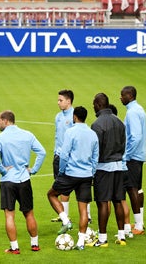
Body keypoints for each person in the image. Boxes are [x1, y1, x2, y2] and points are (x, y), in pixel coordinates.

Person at [0, 110, 46, 254]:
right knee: (29, 214)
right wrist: (33, 170)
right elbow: (42, 152)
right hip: (24, 179)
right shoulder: (27, 135)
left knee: (9, 215)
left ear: (6, 121)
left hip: (8, 180)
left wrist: (2, 170)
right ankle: (35, 244)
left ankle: (14, 248)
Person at [48, 106, 99, 250]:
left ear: (74, 117)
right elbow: (95, 157)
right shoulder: (92, 134)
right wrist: (92, 172)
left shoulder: (71, 132)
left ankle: (65, 220)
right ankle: (81, 243)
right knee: (83, 209)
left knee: (51, 194)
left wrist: (62, 171)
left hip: (70, 174)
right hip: (86, 175)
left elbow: (64, 155)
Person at [90, 93, 129, 247]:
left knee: (102, 202)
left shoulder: (97, 124)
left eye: (94, 103)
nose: (93, 106)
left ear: (99, 104)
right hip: (119, 166)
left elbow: (96, 150)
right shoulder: (120, 122)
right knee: (118, 200)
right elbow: (124, 144)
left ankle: (102, 238)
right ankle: (121, 236)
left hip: (103, 167)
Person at [120, 85, 146, 237]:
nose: (120, 97)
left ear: (129, 96)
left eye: (122, 95)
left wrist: (127, 155)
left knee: (132, 189)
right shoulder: (139, 109)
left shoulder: (132, 113)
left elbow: (135, 136)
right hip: (140, 155)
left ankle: (138, 225)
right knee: (137, 188)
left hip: (133, 157)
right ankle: (139, 222)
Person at [50, 89, 75, 223]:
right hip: (58, 155)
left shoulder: (74, 116)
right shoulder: (58, 116)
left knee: (77, 185)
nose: (58, 102)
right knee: (61, 186)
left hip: (70, 157)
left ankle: (87, 216)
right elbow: (57, 136)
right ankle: (64, 215)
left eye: (61, 100)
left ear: (68, 101)